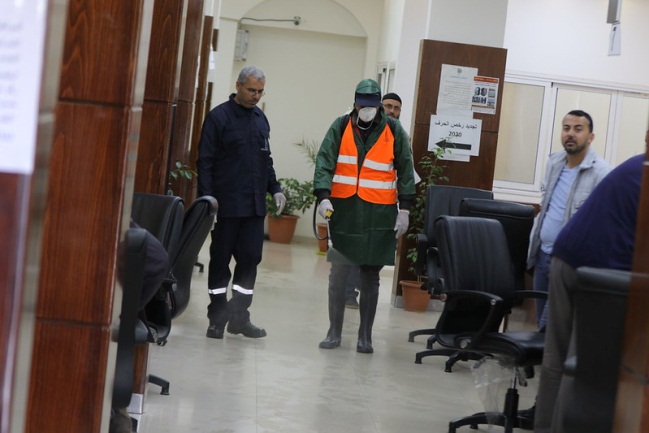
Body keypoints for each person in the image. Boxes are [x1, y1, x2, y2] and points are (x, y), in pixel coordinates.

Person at [534, 143, 646, 433]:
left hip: (568, 255)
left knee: (556, 360)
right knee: (581, 364)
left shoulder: (637, 165)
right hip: (595, 272)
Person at [314, 79, 415, 353]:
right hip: (345, 210)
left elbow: (406, 169)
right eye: (362, 105)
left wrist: (404, 209)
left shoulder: (393, 130)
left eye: (371, 106)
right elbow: (324, 159)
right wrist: (323, 195)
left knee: (370, 275)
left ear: (378, 105)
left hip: (379, 213)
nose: (367, 110)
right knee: (338, 273)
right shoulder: (341, 125)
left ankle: (365, 337)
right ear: (356, 103)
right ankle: (334, 332)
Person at [196, 65, 286, 339]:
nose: (255, 96)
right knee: (220, 262)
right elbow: (205, 163)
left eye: (260, 91)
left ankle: (239, 318)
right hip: (226, 206)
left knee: (250, 261)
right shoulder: (218, 118)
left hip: (254, 207)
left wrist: (276, 188)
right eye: (251, 90)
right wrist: (208, 200)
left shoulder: (260, 119)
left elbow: (265, 160)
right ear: (238, 86)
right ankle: (217, 318)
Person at [526, 110, 609, 330]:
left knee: (554, 327)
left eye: (578, 129)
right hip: (543, 255)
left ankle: (551, 365)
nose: (570, 134)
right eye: (566, 128)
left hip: (569, 262)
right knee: (540, 324)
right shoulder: (554, 162)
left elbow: (600, 225)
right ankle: (540, 364)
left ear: (590, 136)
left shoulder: (600, 173)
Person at [344, 92, 404, 310]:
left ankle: (357, 286)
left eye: (397, 108)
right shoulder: (366, 132)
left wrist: (403, 209)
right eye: (388, 106)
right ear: (379, 107)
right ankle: (348, 294)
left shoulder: (399, 136)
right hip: (359, 201)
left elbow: (406, 173)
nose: (392, 111)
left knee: (376, 253)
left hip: (385, 205)